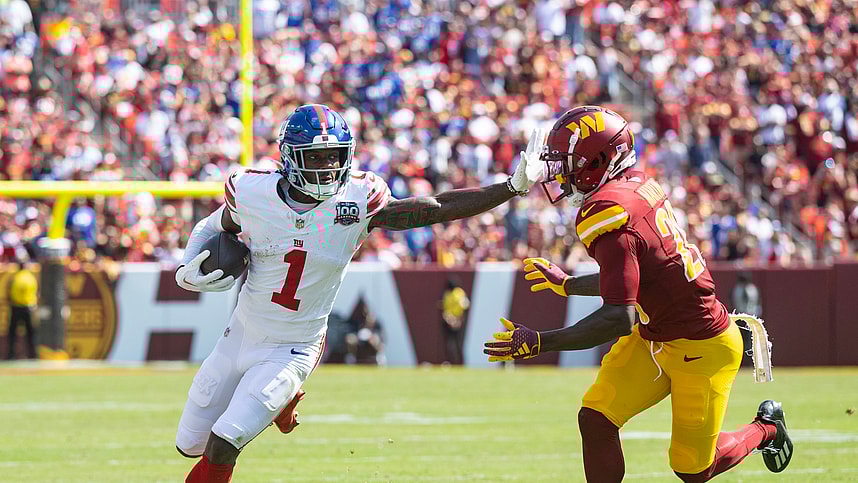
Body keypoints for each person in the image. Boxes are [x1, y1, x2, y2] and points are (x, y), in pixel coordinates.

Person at [173, 104, 548, 482]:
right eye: (314, 158)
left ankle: (271, 402)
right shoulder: (252, 191)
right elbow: (214, 223)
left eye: (334, 157)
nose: (326, 168)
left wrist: (510, 187)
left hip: (293, 347)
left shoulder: (358, 198)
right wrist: (186, 267)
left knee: (225, 442)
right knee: (190, 444)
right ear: (289, 158)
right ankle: (277, 406)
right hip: (240, 333)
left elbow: (436, 208)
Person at [483, 106, 792, 482]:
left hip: (702, 346)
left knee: (692, 469)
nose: (562, 174)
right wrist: (567, 285)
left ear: (598, 161)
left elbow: (617, 316)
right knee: (596, 418)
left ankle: (766, 429)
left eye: (569, 164)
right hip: (653, 337)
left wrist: (539, 342)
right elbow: (633, 277)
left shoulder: (610, 214)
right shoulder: (632, 187)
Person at [6, 261, 38, 360]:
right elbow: (37, 292)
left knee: (12, 332)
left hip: (16, 307)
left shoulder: (15, 277)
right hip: (29, 307)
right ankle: (32, 355)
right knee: (31, 333)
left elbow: (8, 290)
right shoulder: (31, 277)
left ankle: (11, 355)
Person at [439, 276, 469, 365]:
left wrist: (456, 320)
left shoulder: (455, 293)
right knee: (451, 343)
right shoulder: (458, 293)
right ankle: (455, 362)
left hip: (455, 321)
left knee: (456, 343)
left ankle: (459, 362)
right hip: (452, 320)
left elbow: (464, 307)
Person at [344, 300, 384, 365]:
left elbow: (381, 337)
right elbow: (351, 333)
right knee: (350, 339)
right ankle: (352, 358)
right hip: (359, 343)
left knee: (374, 340)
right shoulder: (357, 322)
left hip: (372, 345)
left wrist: (371, 337)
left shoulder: (376, 324)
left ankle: (378, 358)